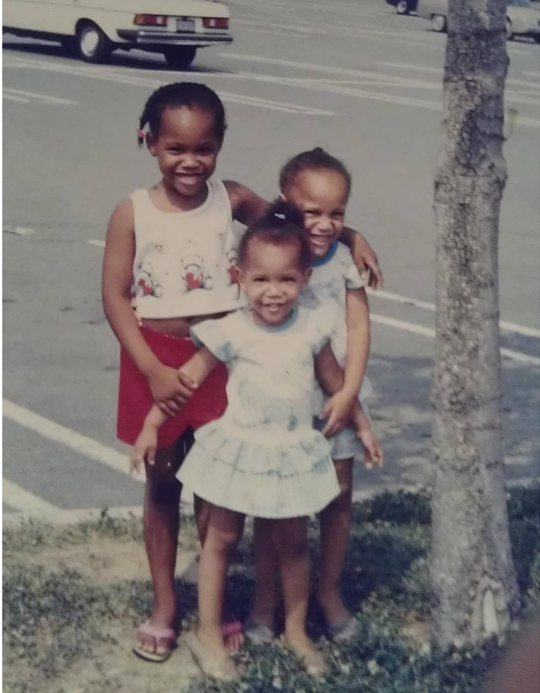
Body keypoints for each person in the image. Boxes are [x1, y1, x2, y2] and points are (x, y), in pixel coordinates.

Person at [102, 81, 382, 663]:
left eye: (203, 148)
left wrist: (349, 234)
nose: (189, 160)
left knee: (215, 483)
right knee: (163, 482)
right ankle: (163, 607)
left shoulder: (231, 199)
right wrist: (152, 368)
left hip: (218, 361)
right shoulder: (131, 210)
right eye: (174, 148)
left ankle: (220, 605)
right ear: (147, 141)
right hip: (156, 359)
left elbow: (297, 223)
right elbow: (114, 296)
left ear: (220, 144)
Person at [131, 202, 381, 680]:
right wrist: (149, 427)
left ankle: (296, 630)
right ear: (242, 279)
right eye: (261, 280)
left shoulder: (310, 329)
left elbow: (335, 384)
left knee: (292, 543)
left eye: (286, 280)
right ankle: (208, 634)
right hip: (239, 450)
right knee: (221, 539)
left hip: (289, 451)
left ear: (304, 279)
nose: (274, 292)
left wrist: (362, 426)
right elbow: (184, 381)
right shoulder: (230, 331)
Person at [247, 148, 384, 647]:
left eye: (338, 214)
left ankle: (327, 594)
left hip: (337, 403)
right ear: (286, 203)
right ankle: (265, 603)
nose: (326, 225)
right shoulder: (275, 251)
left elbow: (358, 324)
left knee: (336, 499)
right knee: (273, 505)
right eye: (314, 212)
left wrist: (349, 393)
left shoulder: (344, 260)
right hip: (278, 403)